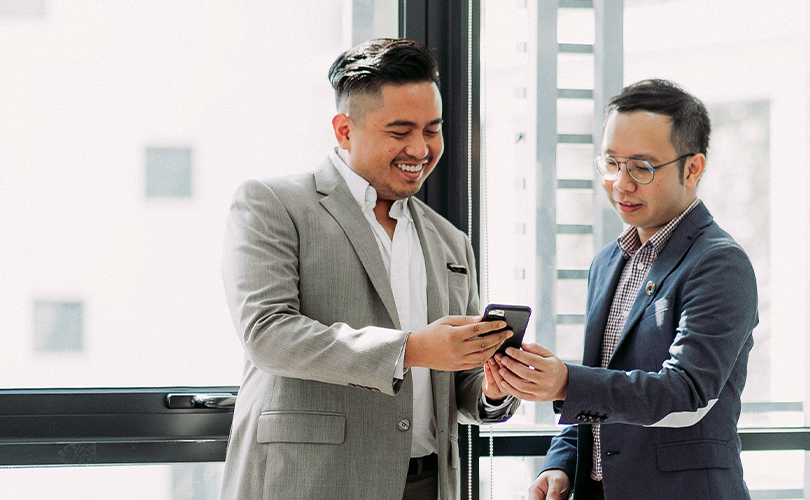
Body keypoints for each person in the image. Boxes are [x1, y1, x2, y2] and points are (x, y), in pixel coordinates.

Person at [220, 38, 520, 500]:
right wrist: (412, 349)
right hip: (311, 482)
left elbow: (460, 386)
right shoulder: (273, 204)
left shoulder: (450, 240)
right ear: (344, 130)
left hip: (428, 482)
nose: (420, 149)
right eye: (400, 131)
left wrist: (496, 388)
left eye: (432, 129)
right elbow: (268, 334)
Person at [491, 79, 758, 500]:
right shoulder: (608, 261)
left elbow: (685, 392)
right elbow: (605, 382)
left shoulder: (720, 263)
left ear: (693, 168)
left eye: (641, 167)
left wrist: (565, 383)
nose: (621, 183)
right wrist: (563, 463)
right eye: (611, 163)